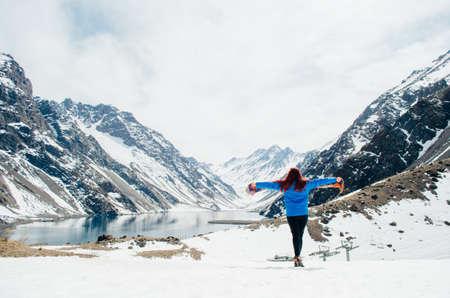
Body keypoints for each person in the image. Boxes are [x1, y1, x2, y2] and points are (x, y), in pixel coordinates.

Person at [247, 168, 343, 267]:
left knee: (295, 235)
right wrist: (336, 179)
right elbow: (320, 182)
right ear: (299, 176)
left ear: (289, 176)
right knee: (299, 236)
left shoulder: (284, 186)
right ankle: (298, 256)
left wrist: (255, 184)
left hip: (291, 215)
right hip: (303, 214)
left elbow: (269, 185)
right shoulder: (306, 185)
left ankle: (297, 256)